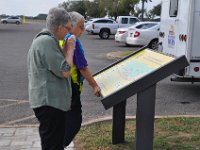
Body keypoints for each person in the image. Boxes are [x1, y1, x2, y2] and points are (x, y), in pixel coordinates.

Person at [27, 7, 75, 150]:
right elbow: (65, 71)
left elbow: (57, 65)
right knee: (52, 145)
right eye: (68, 28)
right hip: (50, 104)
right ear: (60, 27)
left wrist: (65, 50)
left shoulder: (45, 40)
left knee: (53, 143)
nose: (69, 31)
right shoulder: (46, 42)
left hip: (49, 104)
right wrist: (70, 50)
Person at [60, 12, 101, 148]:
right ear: (71, 25)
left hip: (60, 86)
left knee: (63, 120)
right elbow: (82, 67)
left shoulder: (60, 37)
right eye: (81, 27)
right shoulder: (73, 40)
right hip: (71, 87)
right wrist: (94, 85)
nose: (83, 30)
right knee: (75, 121)